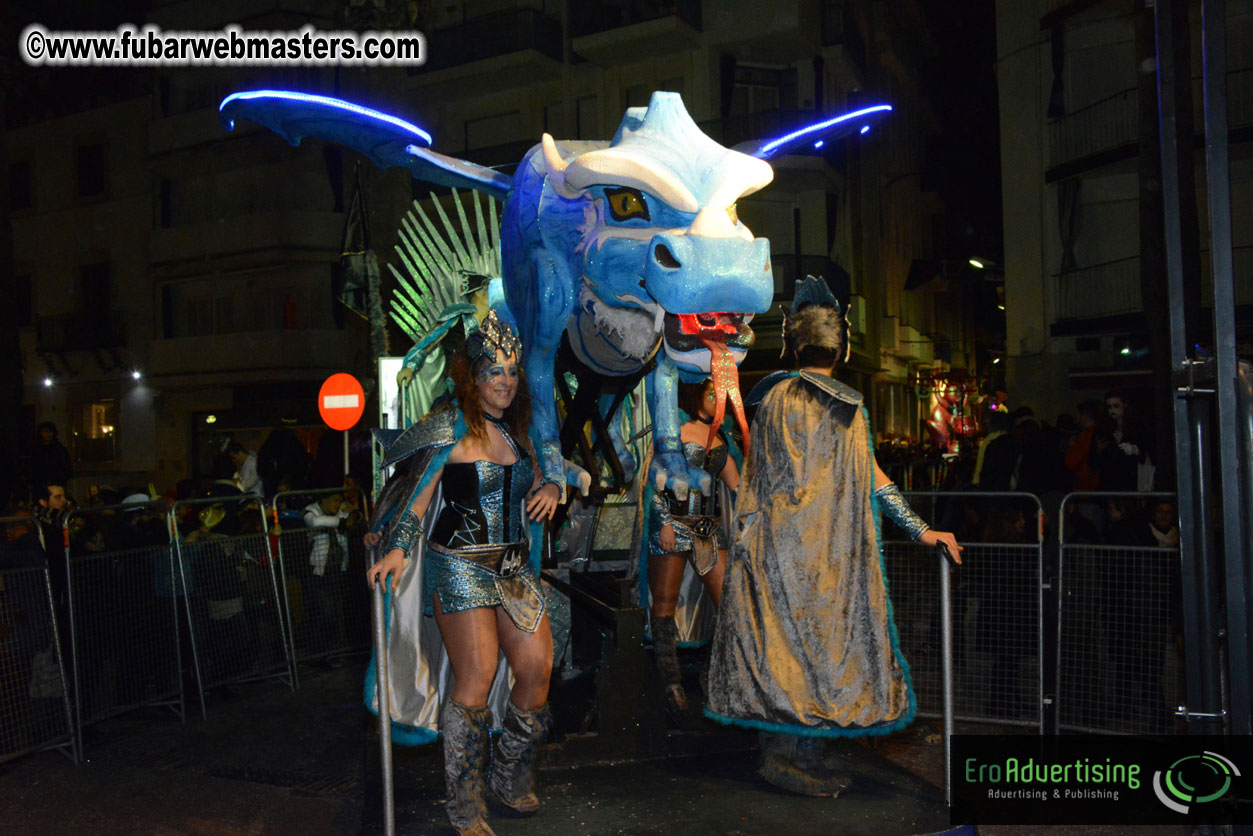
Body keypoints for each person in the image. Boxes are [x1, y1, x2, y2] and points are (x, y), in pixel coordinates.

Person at [705, 276, 962, 797]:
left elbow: (764, 477)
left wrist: (922, 530)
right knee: (814, 651)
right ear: (840, 349)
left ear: (793, 344)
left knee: (784, 651)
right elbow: (873, 478)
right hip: (821, 557)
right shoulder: (845, 407)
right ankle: (785, 756)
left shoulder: (772, 397)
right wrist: (921, 529)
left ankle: (802, 752)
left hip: (778, 550)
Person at [365, 310, 561, 836]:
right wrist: (398, 550)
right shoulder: (451, 426)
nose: (505, 381)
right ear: (472, 378)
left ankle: (508, 779)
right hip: (458, 565)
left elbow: (545, 475)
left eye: (512, 372)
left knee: (537, 671)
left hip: (512, 569)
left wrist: (553, 486)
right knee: (476, 676)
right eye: (493, 372)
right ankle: (464, 803)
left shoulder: (520, 431)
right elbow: (419, 493)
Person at [644, 377, 740, 712]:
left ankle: (713, 674)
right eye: (712, 393)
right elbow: (654, 486)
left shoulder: (720, 436)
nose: (719, 399)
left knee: (731, 602)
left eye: (721, 394)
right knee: (665, 604)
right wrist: (666, 525)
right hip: (673, 525)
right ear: (694, 395)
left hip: (708, 530)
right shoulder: (677, 432)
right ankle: (670, 683)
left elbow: (736, 485)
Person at [30, 422, 72, 499]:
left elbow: (66, 467)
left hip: (57, 485)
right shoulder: (35, 450)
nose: (48, 435)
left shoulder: (59, 449)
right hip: (40, 486)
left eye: (50, 432)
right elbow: (33, 468)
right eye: (45, 432)